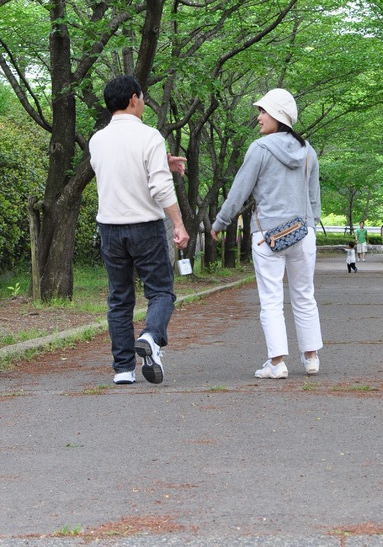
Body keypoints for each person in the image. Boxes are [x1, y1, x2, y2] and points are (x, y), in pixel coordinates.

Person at [210, 88, 322, 379]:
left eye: (263, 111)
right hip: (303, 233)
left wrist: (220, 223)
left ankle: (277, 363)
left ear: (279, 116)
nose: (258, 117)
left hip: (267, 235)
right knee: (304, 295)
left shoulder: (259, 149)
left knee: (271, 300)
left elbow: (239, 191)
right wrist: (311, 227)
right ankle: (311, 358)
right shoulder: (308, 150)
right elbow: (314, 198)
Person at [89, 75, 189, 386]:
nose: (143, 103)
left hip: (110, 229)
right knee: (160, 292)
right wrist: (178, 222)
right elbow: (159, 186)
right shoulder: (150, 136)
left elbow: (118, 171)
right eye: (142, 98)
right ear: (134, 98)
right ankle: (150, 335)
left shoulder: (97, 140)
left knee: (120, 299)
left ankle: (122, 369)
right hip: (145, 226)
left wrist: (162, 160)